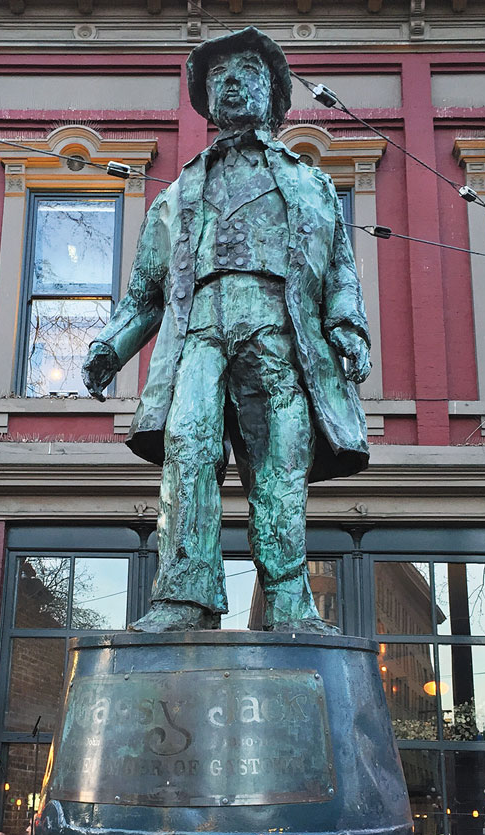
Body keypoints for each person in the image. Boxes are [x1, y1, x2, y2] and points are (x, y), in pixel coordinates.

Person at [82, 26, 370, 635]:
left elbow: (341, 273)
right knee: (188, 447)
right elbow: (146, 292)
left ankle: (289, 602)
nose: (232, 83)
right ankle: (186, 595)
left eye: (246, 72)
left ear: (274, 90)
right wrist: (111, 345)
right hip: (201, 334)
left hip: (279, 334)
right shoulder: (179, 192)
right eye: (219, 77)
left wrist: (348, 329)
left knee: (280, 466)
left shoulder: (311, 185)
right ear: (207, 99)